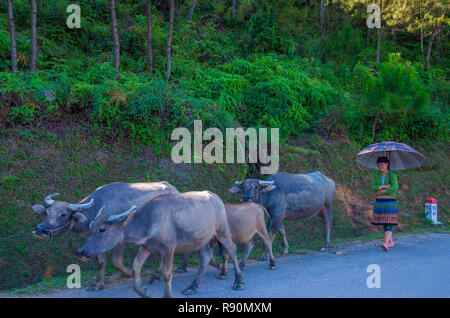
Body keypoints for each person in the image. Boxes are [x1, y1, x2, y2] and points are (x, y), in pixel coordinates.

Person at [370, 156, 399, 251]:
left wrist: (382, 191)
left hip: (390, 201)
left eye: (382, 164)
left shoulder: (392, 176)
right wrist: (384, 186)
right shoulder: (376, 175)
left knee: (389, 221)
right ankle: (390, 242)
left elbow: (395, 187)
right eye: (378, 165)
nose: (380, 167)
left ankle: (386, 243)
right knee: (383, 221)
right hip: (380, 202)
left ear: (387, 164)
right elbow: (373, 186)